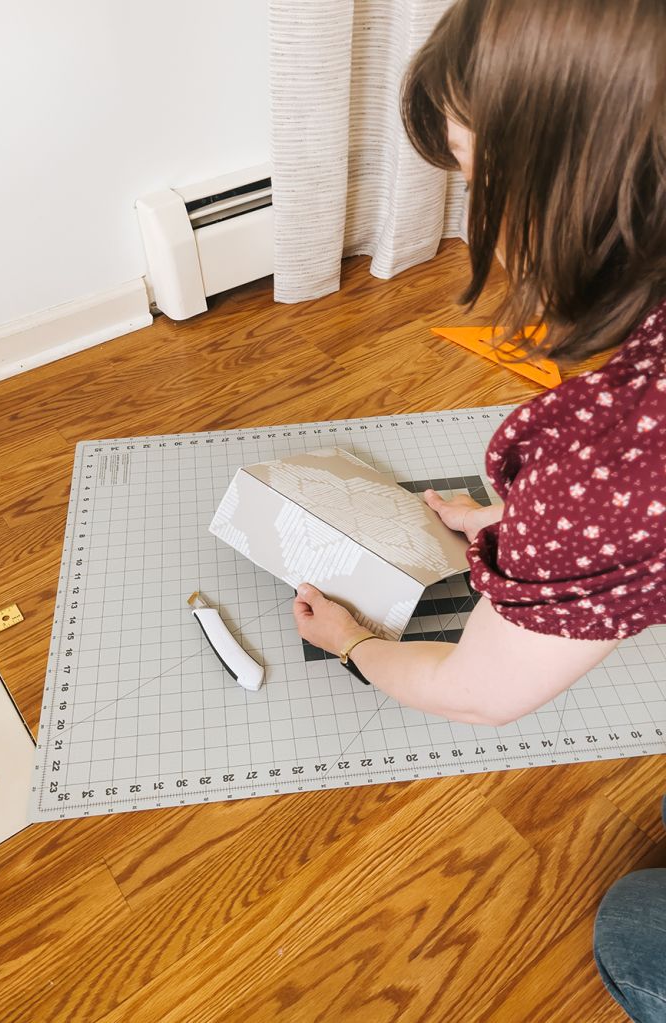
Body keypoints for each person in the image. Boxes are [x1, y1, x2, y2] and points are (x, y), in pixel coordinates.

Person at [291, 1, 665, 1019]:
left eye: (472, 166)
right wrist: (523, 535)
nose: (469, 197)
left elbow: (480, 695)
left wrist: (360, 644)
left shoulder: (611, 457)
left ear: (589, 176)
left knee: (638, 929)